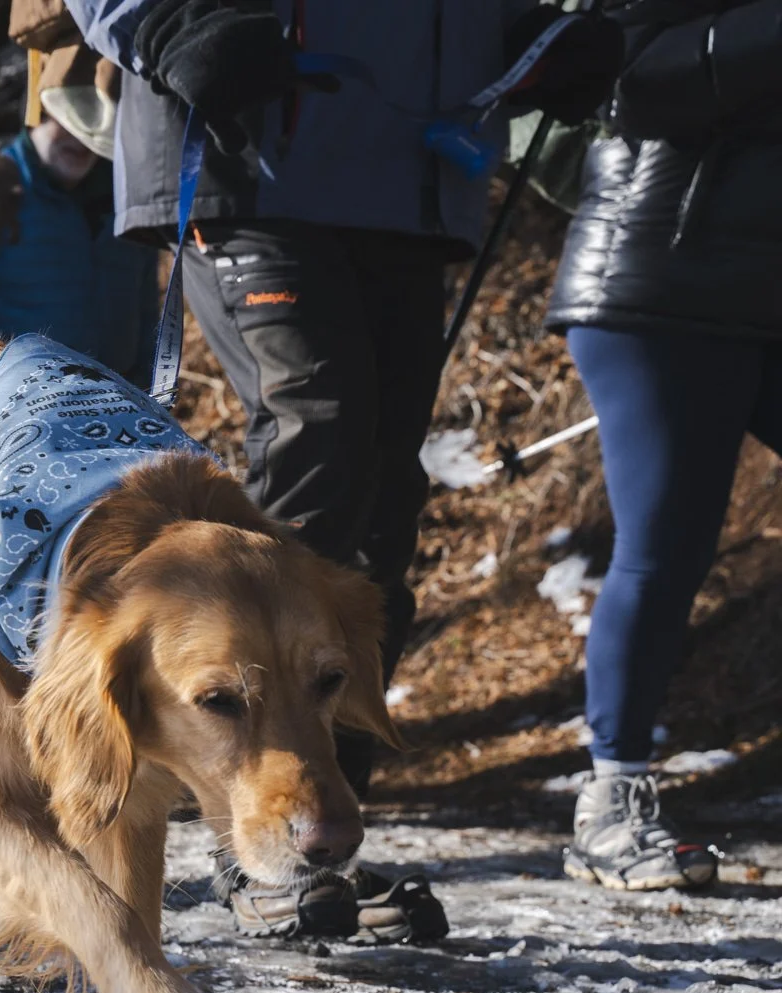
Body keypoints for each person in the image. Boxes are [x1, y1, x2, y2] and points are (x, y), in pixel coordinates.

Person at [61, 0, 620, 939]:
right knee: (316, 437)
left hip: (409, 168)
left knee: (383, 502)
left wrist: (528, 36)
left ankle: (319, 839)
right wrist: (157, 21)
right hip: (251, 142)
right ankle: (261, 840)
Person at [543, 0, 782, 891]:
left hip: (761, 295)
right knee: (666, 547)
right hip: (657, 284)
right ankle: (612, 804)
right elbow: (629, 82)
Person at [0, 63, 158, 383]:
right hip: (11, 411)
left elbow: (148, 322)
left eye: (97, 120)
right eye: (71, 116)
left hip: (119, 413)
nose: (82, 136)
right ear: (38, 109)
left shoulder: (127, 201)